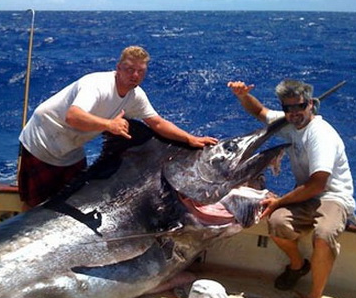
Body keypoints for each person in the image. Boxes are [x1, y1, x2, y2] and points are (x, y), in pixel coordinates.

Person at [18, 46, 218, 209]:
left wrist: (189, 139)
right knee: (35, 206)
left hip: (71, 149)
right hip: (42, 140)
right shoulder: (97, 85)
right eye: (130, 69)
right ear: (118, 68)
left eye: (140, 71)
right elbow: (73, 116)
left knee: (72, 203)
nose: (135, 75)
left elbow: (156, 123)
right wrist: (109, 124)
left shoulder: (135, 95)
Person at [227, 79, 356, 298]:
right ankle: (298, 266)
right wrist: (243, 96)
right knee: (275, 222)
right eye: (287, 109)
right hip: (306, 196)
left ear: (311, 104)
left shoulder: (321, 135)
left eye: (298, 107)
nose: (293, 113)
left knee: (324, 234)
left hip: (332, 196)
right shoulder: (289, 122)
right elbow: (259, 112)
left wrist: (279, 201)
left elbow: (318, 184)